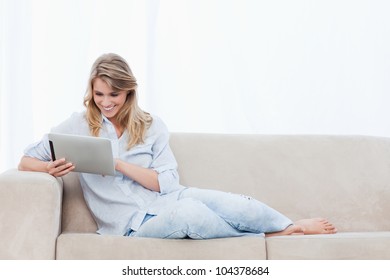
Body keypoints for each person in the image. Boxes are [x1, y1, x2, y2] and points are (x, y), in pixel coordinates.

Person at [18, 53, 337, 239]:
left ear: (128, 92)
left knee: (239, 204)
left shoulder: (151, 125)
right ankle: (275, 237)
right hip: (130, 225)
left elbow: (166, 182)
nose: (105, 103)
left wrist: (118, 164)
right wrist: (48, 167)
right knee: (191, 214)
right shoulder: (76, 125)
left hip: (171, 196)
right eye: (99, 94)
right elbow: (25, 160)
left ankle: (289, 225)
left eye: (113, 95)